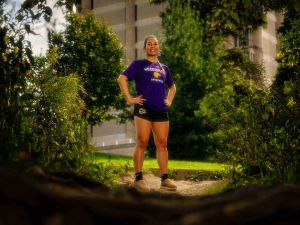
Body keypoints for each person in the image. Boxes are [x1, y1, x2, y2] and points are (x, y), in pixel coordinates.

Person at [117, 35, 177, 192]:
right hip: (144, 108)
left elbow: (173, 87)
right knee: (142, 141)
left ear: (159, 48)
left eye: (155, 44)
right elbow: (121, 79)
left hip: (161, 110)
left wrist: (169, 101)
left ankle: (165, 178)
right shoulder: (139, 64)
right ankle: (138, 178)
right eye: (149, 44)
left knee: (162, 144)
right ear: (145, 48)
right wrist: (129, 98)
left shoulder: (164, 68)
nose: (152, 46)